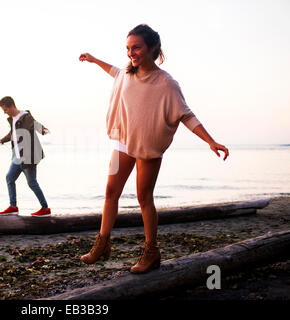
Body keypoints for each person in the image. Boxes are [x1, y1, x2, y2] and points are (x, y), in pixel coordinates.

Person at [78, 24, 229, 273]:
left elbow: (186, 115)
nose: (131, 52)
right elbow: (114, 71)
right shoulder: (127, 73)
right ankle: (102, 244)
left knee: (143, 198)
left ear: (153, 48)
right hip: (123, 141)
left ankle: (151, 251)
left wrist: (210, 141)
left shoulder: (166, 83)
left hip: (148, 146)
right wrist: (94, 60)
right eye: (128, 48)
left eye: (136, 47)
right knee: (110, 192)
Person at [0, 96, 52, 217]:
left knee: (32, 183)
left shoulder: (25, 116)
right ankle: (13, 207)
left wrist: (43, 130)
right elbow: (12, 134)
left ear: (11, 106)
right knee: (9, 178)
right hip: (17, 157)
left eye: (5, 109)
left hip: (28, 157)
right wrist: (3, 140)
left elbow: (35, 124)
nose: (4, 112)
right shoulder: (13, 119)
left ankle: (45, 208)